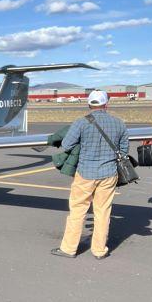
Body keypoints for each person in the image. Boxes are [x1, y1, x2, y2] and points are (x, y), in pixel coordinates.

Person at [51, 90, 128, 260]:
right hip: (109, 173)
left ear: (89, 104)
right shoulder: (119, 123)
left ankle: (69, 248)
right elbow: (124, 150)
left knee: (78, 210)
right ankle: (99, 250)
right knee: (103, 212)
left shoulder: (81, 122)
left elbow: (67, 144)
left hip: (85, 172)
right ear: (106, 104)